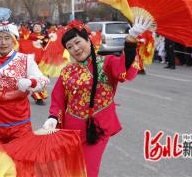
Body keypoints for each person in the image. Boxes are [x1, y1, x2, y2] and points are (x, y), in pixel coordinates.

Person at [43, 17, 153, 177]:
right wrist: (53, 117)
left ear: (88, 40)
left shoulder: (106, 62)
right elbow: (58, 97)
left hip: (97, 127)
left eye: (77, 42)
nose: (75, 48)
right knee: (70, 169)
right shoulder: (67, 71)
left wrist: (131, 40)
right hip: (70, 128)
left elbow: (123, 68)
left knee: (87, 170)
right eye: (70, 46)